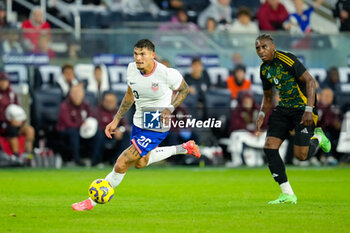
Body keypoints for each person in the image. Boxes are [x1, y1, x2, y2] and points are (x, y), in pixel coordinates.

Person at [72, 39, 201, 211]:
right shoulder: (131, 69)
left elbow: (184, 89)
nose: (138, 58)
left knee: (122, 161)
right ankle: (184, 148)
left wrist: (170, 108)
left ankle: (92, 201)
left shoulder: (166, 73)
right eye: (136, 54)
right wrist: (116, 120)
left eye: (143, 54)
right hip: (139, 121)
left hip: (157, 123)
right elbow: (129, 96)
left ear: (152, 55)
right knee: (140, 162)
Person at [255, 34, 331, 204]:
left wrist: (309, 110)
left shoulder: (287, 60)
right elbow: (268, 97)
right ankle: (288, 194)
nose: (261, 51)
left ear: (273, 46)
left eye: (264, 47)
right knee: (269, 147)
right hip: (284, 109)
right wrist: (261, 114)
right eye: (258, 48)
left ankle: (318, 137)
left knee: (301, 156)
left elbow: (310, 82)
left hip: (304, 109)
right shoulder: (264, 69)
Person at [56, 83, 96, 166]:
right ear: (70, 94)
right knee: (73, 132)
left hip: (82, 131)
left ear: (83, 94)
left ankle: (95, 160)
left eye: (79, 93)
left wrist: (89, 125)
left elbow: (91, 118)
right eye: (74, 93)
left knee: (98, 132)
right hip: (65, 133)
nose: (76, 95)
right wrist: (83, 124)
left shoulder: (86, 105)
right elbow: (69, 124)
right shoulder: (64, 106)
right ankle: (76, 160)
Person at [0, 72, 35, 161]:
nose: (3, 83)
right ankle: (16, 156)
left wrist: (21, 121)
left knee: (29, 130)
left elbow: (18, 110)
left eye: (5, 81)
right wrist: (9, 121)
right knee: (11, 129)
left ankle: (28, 154)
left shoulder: (12, 94)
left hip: (15, 123)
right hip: (3, 124)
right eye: (1, 81)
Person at [92, 92, 129, 166]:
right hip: (102, 135)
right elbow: (96, 125)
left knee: (127, 134)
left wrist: (120, 130)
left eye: (112, 102)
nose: (110, 104)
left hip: (115, 136)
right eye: (108, 101)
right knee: (98, 134)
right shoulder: (97, 111)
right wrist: (111, 130)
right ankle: (97, 161)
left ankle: (118, 161)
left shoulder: (118, 112)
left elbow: (126, 125)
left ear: (116, 102)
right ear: (103, 102)